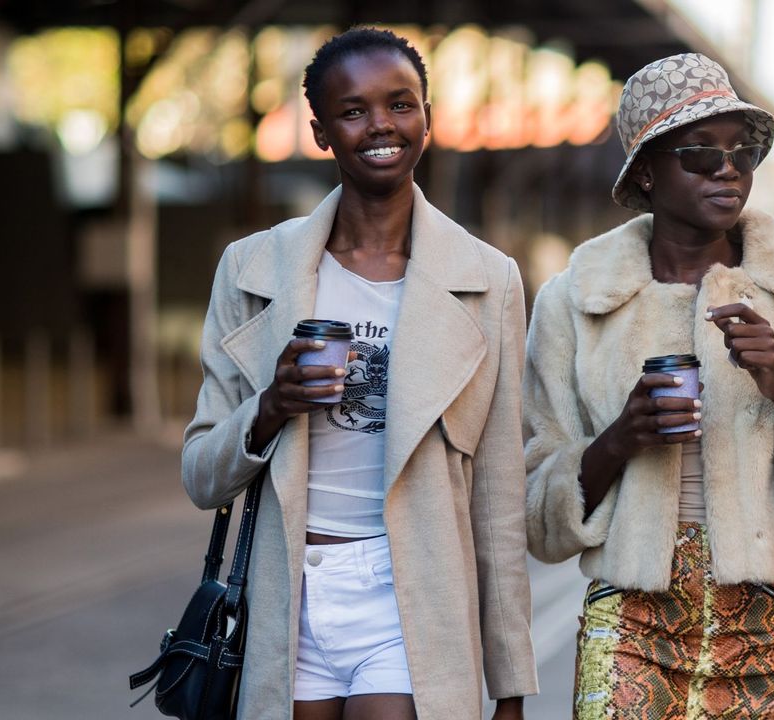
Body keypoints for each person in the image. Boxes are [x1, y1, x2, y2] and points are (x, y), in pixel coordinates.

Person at [523, 54, 774, 718]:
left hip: (771, 623)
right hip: (632, 621)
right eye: (699, 154)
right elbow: (536, 516)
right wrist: (620, 439)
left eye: (743, 153)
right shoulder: (576, 301)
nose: (727, 169)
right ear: (646, 169)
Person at [182, 27, 536, 720]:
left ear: (427, 116)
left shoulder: (487, 279)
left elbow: (498, 497)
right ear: (320, 132)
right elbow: (201, 475)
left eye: (401, 104)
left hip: (411, 594)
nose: (381, 125)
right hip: (286, 597)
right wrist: (271, 405)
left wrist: (511, 686)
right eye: (353, 111)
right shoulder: (253, 270)